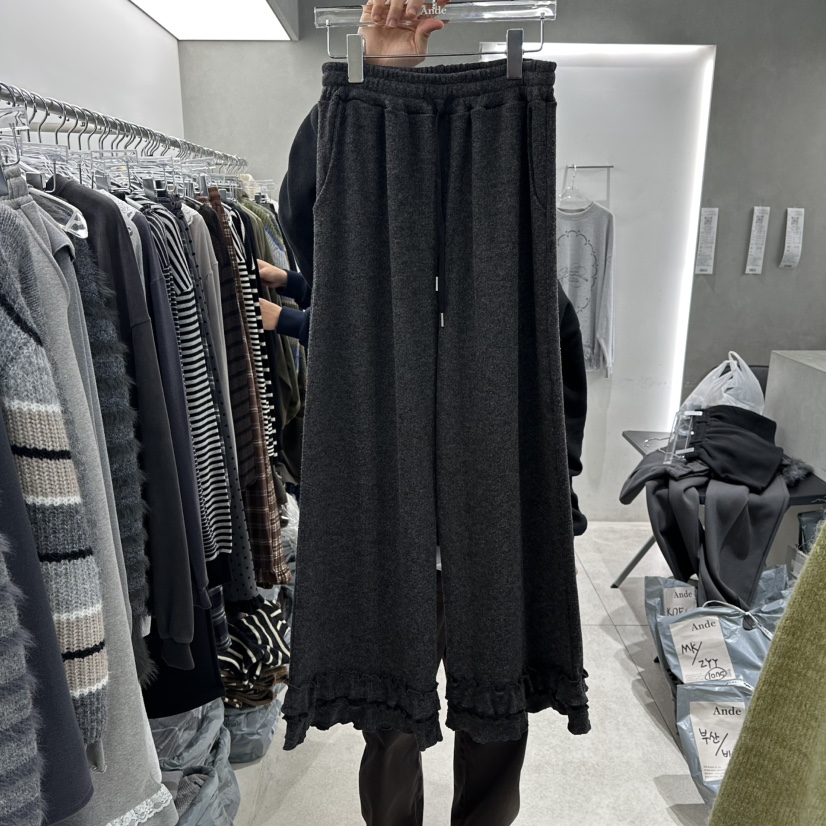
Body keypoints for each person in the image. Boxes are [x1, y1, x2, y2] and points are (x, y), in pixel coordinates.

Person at [272, 3, 589, 823]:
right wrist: (377, 85)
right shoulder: (368, 280)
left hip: (493, 497)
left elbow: (560, 380)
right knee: (389, 710)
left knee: (499, 699)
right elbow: (311, 212)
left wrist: (554, 483)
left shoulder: (521, 287)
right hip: (386, 494)